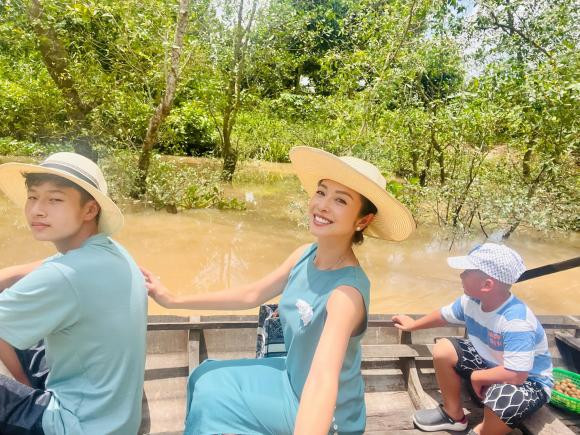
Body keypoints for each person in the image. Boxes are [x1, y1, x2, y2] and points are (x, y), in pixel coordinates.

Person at [143, 146, 416, 435]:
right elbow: (253, 294)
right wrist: (173, 299)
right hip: (291, 377)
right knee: (202, 375)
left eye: (340, 200)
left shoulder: (346, 295)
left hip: (326, 414)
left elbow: (322, 380)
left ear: (362, 220)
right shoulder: (305, 255)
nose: (322, 205)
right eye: (321, 192)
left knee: (212, 397)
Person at [0, 152, 148, 435]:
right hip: (117, 420)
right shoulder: (110, 251)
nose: (37, 210)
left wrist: (24, 386)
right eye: (33, 197)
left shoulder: (63, 276)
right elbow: (39, 268)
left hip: (78, 424)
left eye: (55, 200)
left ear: (89, 210)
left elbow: (56, 276)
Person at [392, 243, 553, 435]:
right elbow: (442, 316)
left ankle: (482, 431)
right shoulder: (471, 301)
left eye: (467, 271)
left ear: (487, 285)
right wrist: (413, 325)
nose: (461, 275)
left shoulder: (516, 321)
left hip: (528, 382)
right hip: (493, 365)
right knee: (444, 349)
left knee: (502, 396)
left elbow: (517, 375)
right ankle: (453, 415)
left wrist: (477, 377)